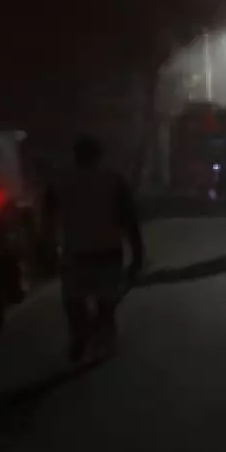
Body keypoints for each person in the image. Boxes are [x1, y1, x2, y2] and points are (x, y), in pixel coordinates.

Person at [44, 136, 145, 363]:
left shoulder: (60, 182)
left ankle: (81, 335)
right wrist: (138, 253)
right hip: (108, 251)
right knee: (106, 301)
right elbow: (130, 219)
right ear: (99, 157)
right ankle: (104, 337)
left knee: (74, 300)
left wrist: (48, 249)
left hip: (74, 253)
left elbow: (47, 220)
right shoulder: (113, 180)